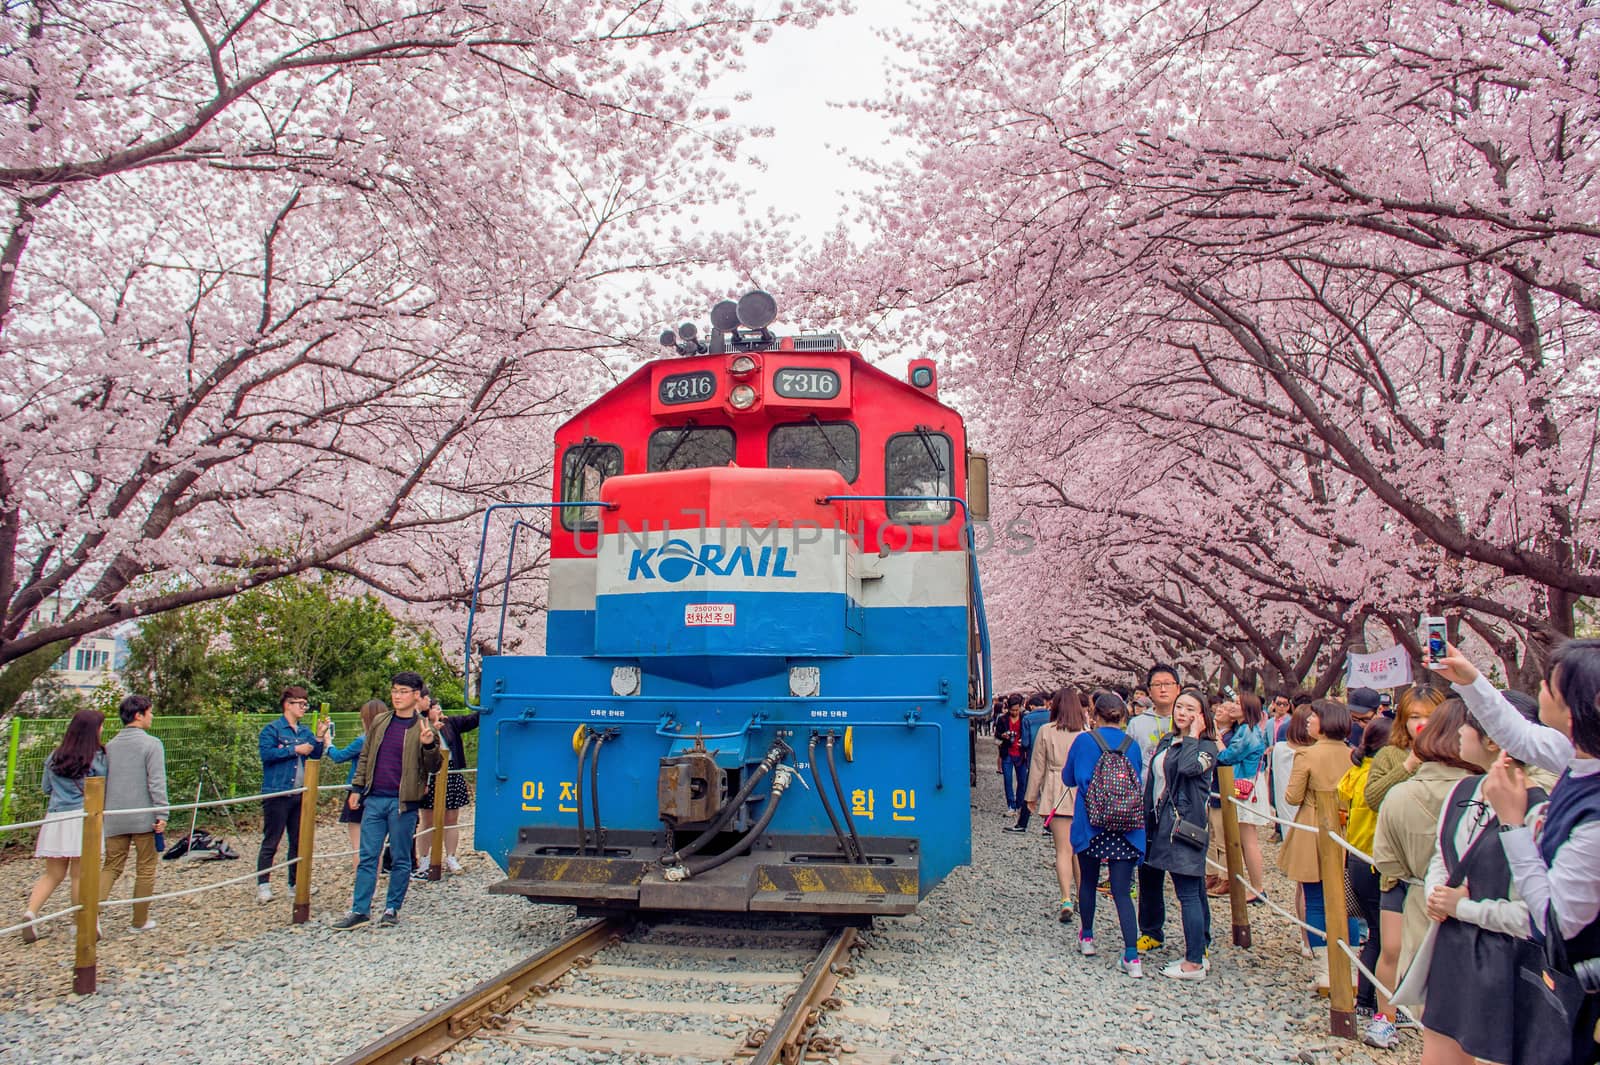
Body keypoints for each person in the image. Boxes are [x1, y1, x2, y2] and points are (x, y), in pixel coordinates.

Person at [1435, 639, 1600, 1065]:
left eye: (1551, 684)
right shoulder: (1579, 755)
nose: (1540, 687)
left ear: (1580, 705)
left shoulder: (1594, 813)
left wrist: (1512, 822)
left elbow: (1552, 922)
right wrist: (1471, 681)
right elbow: (1517, 733)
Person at [1414, 697, 1551, 1065]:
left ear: (1494, 740)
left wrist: (1462, 907)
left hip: (1507, 960)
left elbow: (1535, 914)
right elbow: (1441, 859)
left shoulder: (1539, 810)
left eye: (1468, 724)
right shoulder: (1462, 791)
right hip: (1452, 946)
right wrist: (1435, 892)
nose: (1458, 730)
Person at [1372, 700, 1478, 1005]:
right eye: (1414, 716)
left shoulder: (1402, 794)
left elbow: (1386, 859)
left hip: (1416, 893)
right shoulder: (1491, 791)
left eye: (1427, 717)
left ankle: (1387, 1016)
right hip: (1481, 908)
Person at [1362, 683, 1448, 1026]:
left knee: (1438, 949)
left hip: (1440, 869)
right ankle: (1386, 1015)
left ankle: (1437, 1018)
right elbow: (1374, 798)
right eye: (1414, 717)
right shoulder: (1390, 755)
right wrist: (1410, 764)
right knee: (1392, 947)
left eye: (1429, 717)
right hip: (1396, 870)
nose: (1421, 724)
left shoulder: (1457, 755)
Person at [333, 672, 444, 929]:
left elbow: (434, 766)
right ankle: (360, 910)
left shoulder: (423, 727)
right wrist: (357, 789)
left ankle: (392, 907)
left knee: (401, 857)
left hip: (403, 802)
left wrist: (429, 746)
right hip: (374, 798)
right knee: (367, 856)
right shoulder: (380, 722)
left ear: (417, 695)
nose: (397, 695)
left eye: (404, 691)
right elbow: (366, 757)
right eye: (395, 690)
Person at [1140, 687, 1221, 979]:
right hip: (1161, 824)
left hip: (1185, 827)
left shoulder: (1206, 747)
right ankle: (1197, 950)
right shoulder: (1167, 740)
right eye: (1179, 707)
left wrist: (1193, 736)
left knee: (1188, 892)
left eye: (1190, 709)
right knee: (1190, 891)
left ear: (1201, 715)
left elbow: (1188, 769)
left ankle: (1194, 962)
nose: (1182, 713)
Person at [1064, 690, 1146, 977]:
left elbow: (1068, 777)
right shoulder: (1132, 745)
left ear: (1093, 715)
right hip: (1125, 826)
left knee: (1088, 881)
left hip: (1092, 824)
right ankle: (1132, 956)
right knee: (1122, 893)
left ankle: (1087, 938)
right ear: (1122, 716)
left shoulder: (1084, 741)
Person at [1279, 698, 1358, 981]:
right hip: (1347, 828)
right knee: (1347, 899)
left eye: (1313, 717)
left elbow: (1292, 796)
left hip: (1313, 827)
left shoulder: (1306, 755)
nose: (1309, 721)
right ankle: (1351, 966)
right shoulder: (1353, 754)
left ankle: (1325, 971)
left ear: (1325, 722)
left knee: (1314, 899)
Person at [19, 710, 106, 942]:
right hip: (83, 818)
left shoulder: (55, 756)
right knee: (79, 874)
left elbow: (47, 788)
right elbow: (102, 786)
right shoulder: (96, 758)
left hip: (56, 818)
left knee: (53, 873)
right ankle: (82, 923)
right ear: (93, 731)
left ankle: (31, 912)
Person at [1338, 715, 1395, 1045]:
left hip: (1356, 856)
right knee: (1382, 934)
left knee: (1374, 932)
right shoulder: (1383, 777)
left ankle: (1365, 998)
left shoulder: (1356, 771)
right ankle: (1371, 1000)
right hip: (1377, 860)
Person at [100, 695, 169, 932]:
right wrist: (162, 813)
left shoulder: (109, 746)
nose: (152, 716)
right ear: (139, 715)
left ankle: (89, 916)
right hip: (144, 816)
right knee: (146, 867)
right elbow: (156, 782)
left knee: (111, 866)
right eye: (150, 712)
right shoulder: (151, 744)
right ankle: (139, 920)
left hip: (114, 815)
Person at [256, 685, 329, 903]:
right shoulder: (272, 730)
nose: (304, 708)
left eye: (306, 704)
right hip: (277, 792)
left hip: (300, 794)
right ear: (288, 704)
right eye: (301, 704)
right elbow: (266, 754)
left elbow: (315, 756)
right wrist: (293, 750)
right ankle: (263, 884)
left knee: (298, 840)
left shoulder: (305, 731)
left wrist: (318, 737)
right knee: (272, 839)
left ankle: (295, 883)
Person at [1026, 685, 1088, 920]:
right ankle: (1084, 896)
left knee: (1062, 849)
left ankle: (1066, 898)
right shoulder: (1085, 732)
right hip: (1081, 793)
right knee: (1080, 850)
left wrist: (1031, 796)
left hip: (1056, 790)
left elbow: (1038, 765)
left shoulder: (1046, 731)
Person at [1216, 691, 1270, 899]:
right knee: (1246, 838)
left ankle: (1257, 887)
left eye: (1238, 703)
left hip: (1245, 785)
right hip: (1243, 783)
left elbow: (1228, 756)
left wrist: (1219, 742)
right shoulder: (1246, 729)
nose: (1233, 706)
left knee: (1249, 840)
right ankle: (1254, 886)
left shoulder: (1248, 732)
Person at [327, 699, 385, 871]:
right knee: (377, 845)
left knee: (358, 845)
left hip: (358, 792)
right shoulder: (389, 739)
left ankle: (361, 885)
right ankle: (373, 884)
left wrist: (328, 743)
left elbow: (338, 756)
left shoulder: (363, 740)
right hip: (381, 792)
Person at [1006, 692, 1051, 833]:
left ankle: (1022, 823)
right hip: (1051, 758)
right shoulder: (1051, 716)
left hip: (1034, 757)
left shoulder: (1028, 718)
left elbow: (1025, 742)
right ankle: (1048, 825)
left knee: (1030, 790)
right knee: (1048, 791)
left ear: (1031, 705)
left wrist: (1021, 745)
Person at [996, 694, 1028, 818]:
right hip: (1007, 752)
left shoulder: (1025, 718)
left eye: (1016, 710)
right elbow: (997, 733)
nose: (1014, 712)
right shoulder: (1002, 719)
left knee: (1022, 781)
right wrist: (1003, 735)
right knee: (1007, 780)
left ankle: (1019, 805)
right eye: (1012, 710)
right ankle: (1011, 805)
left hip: (1021, 752)